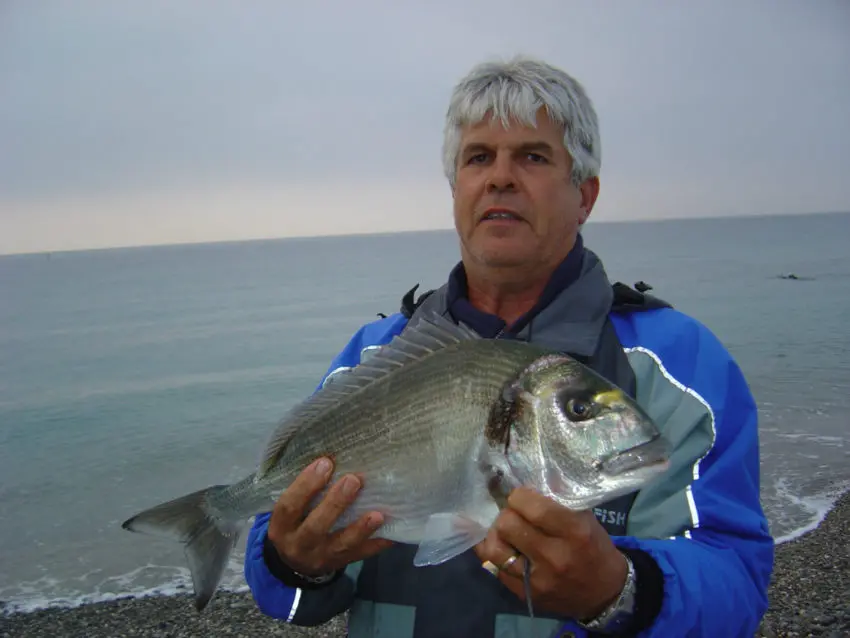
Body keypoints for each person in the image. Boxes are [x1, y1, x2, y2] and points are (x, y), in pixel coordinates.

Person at [243, 56, 775, 637]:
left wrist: (621, 591)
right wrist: (290, 562)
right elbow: (290, 598)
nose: (500, 176)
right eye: (478, 158)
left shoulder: (681, 368)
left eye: (533, 155)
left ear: (585, 195)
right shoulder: (374, 355)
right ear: (456, 191)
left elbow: (737, 586)